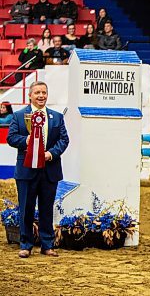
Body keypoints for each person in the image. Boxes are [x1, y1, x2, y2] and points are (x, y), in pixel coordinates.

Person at [7, 81, 69, 258]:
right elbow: (11, 138)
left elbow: (64, 140)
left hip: (49, 170)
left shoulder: (57, 117)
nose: (41, 96)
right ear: (30, 95)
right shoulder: (19, 116)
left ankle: (47, 245)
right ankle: (25, 245)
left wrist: (51, 154)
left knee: (46, 208)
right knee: (26, 209)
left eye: (44, 92)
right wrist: (26, 141)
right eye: (37, 93)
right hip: (26, 170)